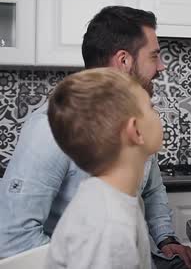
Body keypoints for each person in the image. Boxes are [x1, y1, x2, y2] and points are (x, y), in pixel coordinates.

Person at [0, 6, 191, 269]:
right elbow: (14, 238)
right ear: (124, 61)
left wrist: (166, 238)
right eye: (155, 56)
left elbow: (152, 190)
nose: (162, 66)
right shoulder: (49, 128)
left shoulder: (132, 121)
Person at [44, 68, 161, 268]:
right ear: (136, 131)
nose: (158, 113)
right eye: (151, 107)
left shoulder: (121, 200)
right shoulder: (109, 226)